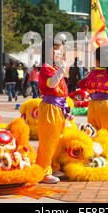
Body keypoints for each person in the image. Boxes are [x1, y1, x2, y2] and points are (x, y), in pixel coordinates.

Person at [77, 46, 108, 162]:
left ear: (97, 60)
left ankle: (96, 160)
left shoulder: (92, 74)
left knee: (94, 134)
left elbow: (80, 84)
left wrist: (88, 75)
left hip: (93, 107)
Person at [37, 39, 69, 184]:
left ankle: (54, 166)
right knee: (48, 141)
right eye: (56, 49)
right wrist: (62, 70)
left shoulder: (54, 68)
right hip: (50, 107)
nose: (59, 52)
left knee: (57, 139)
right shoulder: (45, 68)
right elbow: (51, 84)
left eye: (61, 50)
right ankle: (43, 171)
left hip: (58, 108)